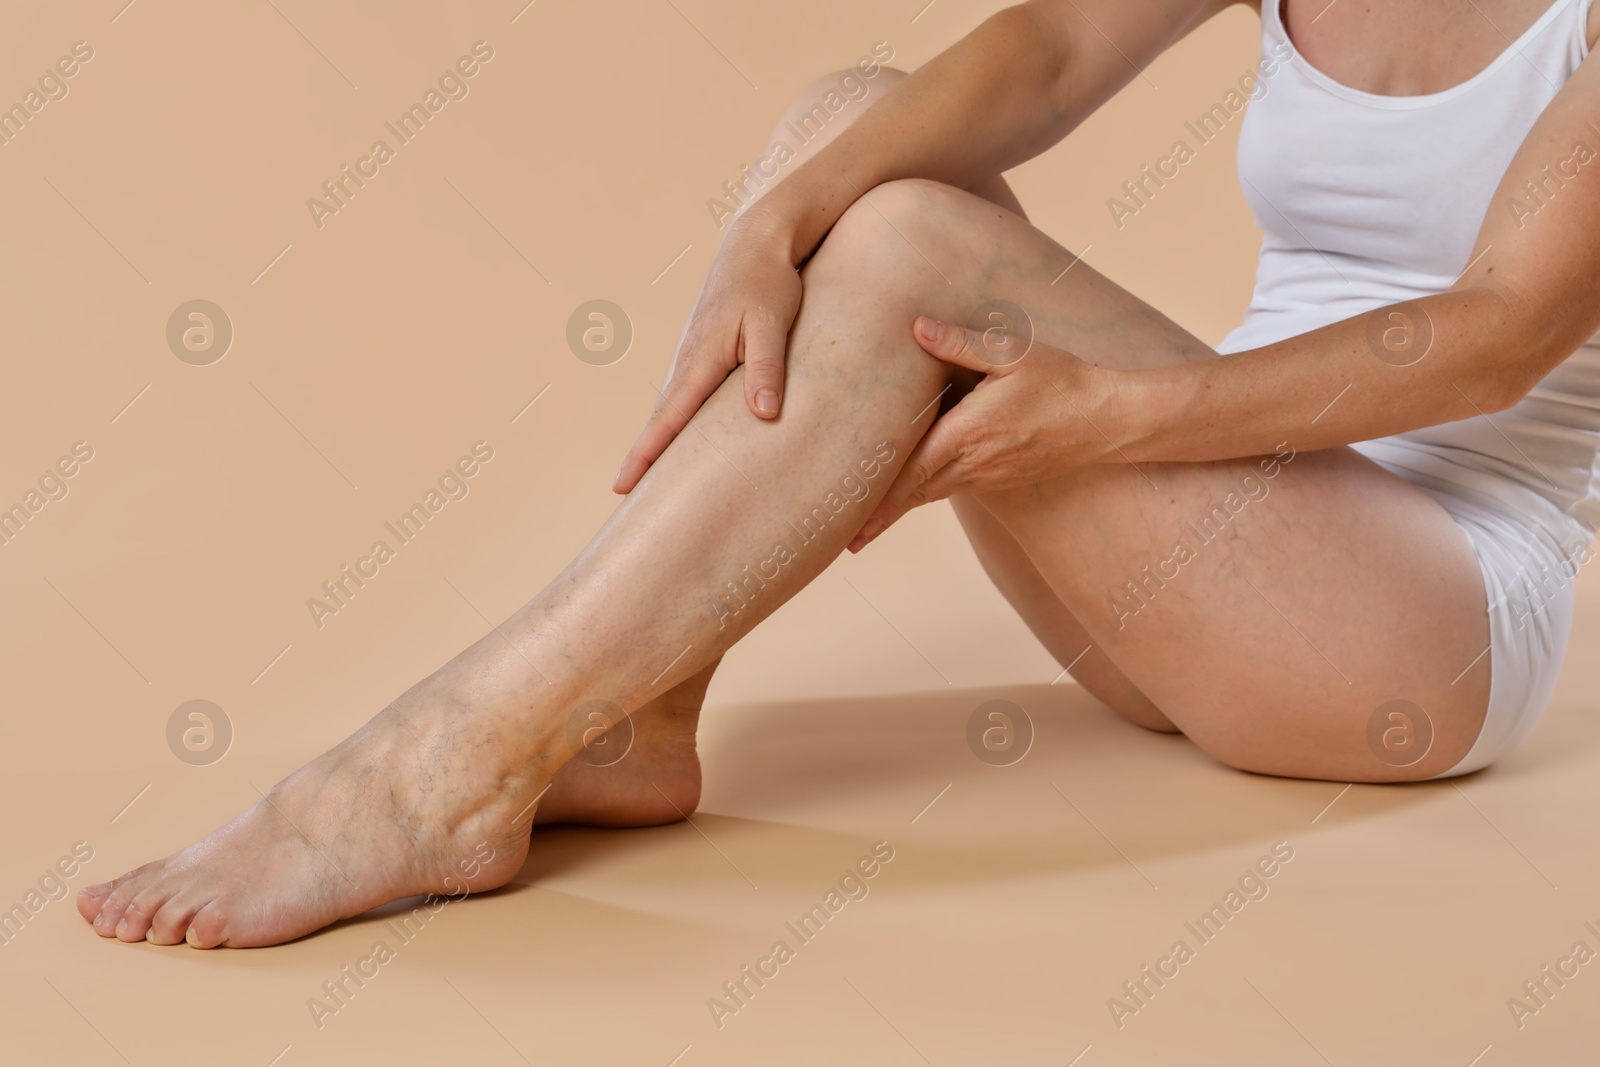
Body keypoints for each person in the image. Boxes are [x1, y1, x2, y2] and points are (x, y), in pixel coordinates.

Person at [79, 0, 1600, 948]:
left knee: (910, 241)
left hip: (1424, 624)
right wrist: (778, 212)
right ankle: (638, 709)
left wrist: (1111, 417)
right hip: (1217, 569)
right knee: (852, 128)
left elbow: (1493, 341)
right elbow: (1053, 47)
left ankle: (440, 775)